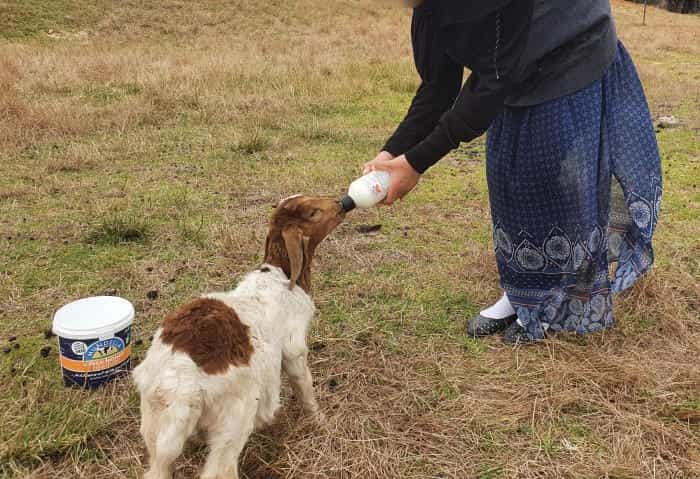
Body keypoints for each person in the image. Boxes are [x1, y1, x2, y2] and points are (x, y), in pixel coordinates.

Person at [363, 0, 662, 344]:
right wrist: (393, 152)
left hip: (570, 49)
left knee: (557, 178)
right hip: (514, 66)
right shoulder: (430, 10)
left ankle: (554, 301)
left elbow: (492, 81)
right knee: (509, 180)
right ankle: (519, 294)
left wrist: (416, 164)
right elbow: (438, 89)